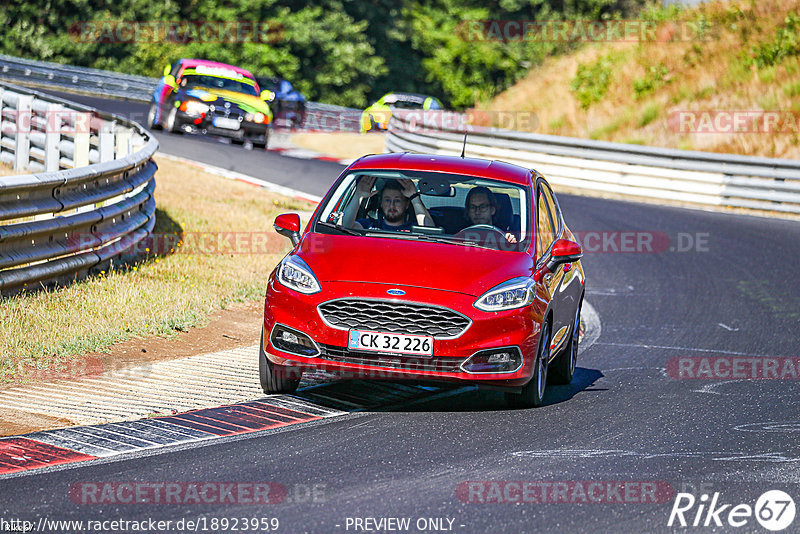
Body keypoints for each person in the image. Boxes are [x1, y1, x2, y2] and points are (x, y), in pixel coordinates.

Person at [343, 177, 434, 231]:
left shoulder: (414, 228)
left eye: (397, 200)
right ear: (381, 204)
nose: (392, 205)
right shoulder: (369, 225)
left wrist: (414, 197)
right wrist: (358, 196)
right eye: (387, 200)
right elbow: (344, 228)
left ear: (406, 205)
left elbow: (430, 231)